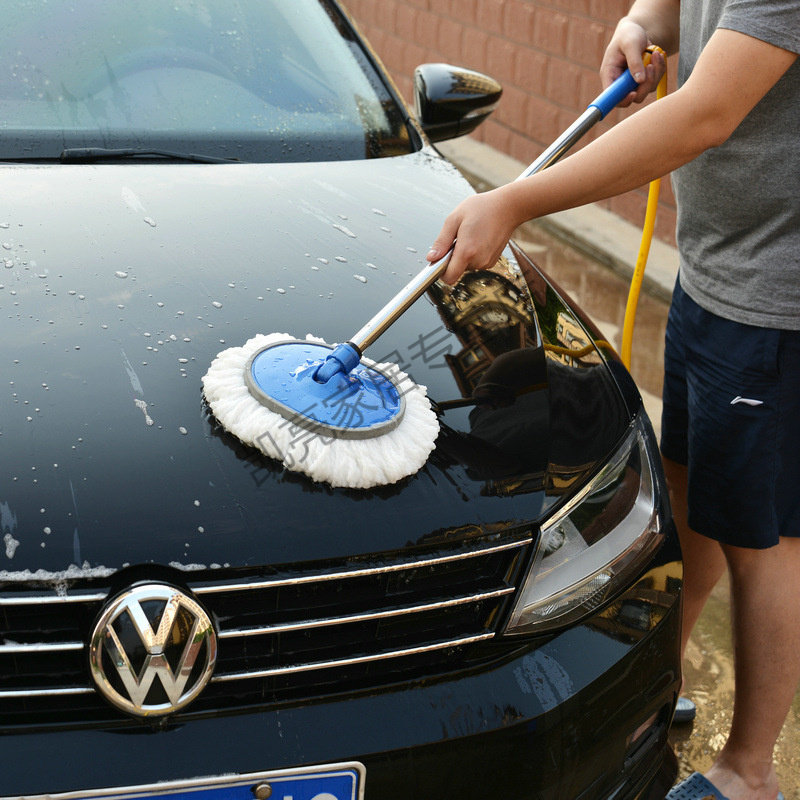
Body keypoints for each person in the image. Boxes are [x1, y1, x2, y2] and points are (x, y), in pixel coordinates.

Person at [425, 1, 799, 798]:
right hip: (715, 276)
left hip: (775, 306)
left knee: (763, 542)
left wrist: (517, 200)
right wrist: (641, 21)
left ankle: (748, 772)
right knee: (687, 498)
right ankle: (658, 685)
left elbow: (706, 112)